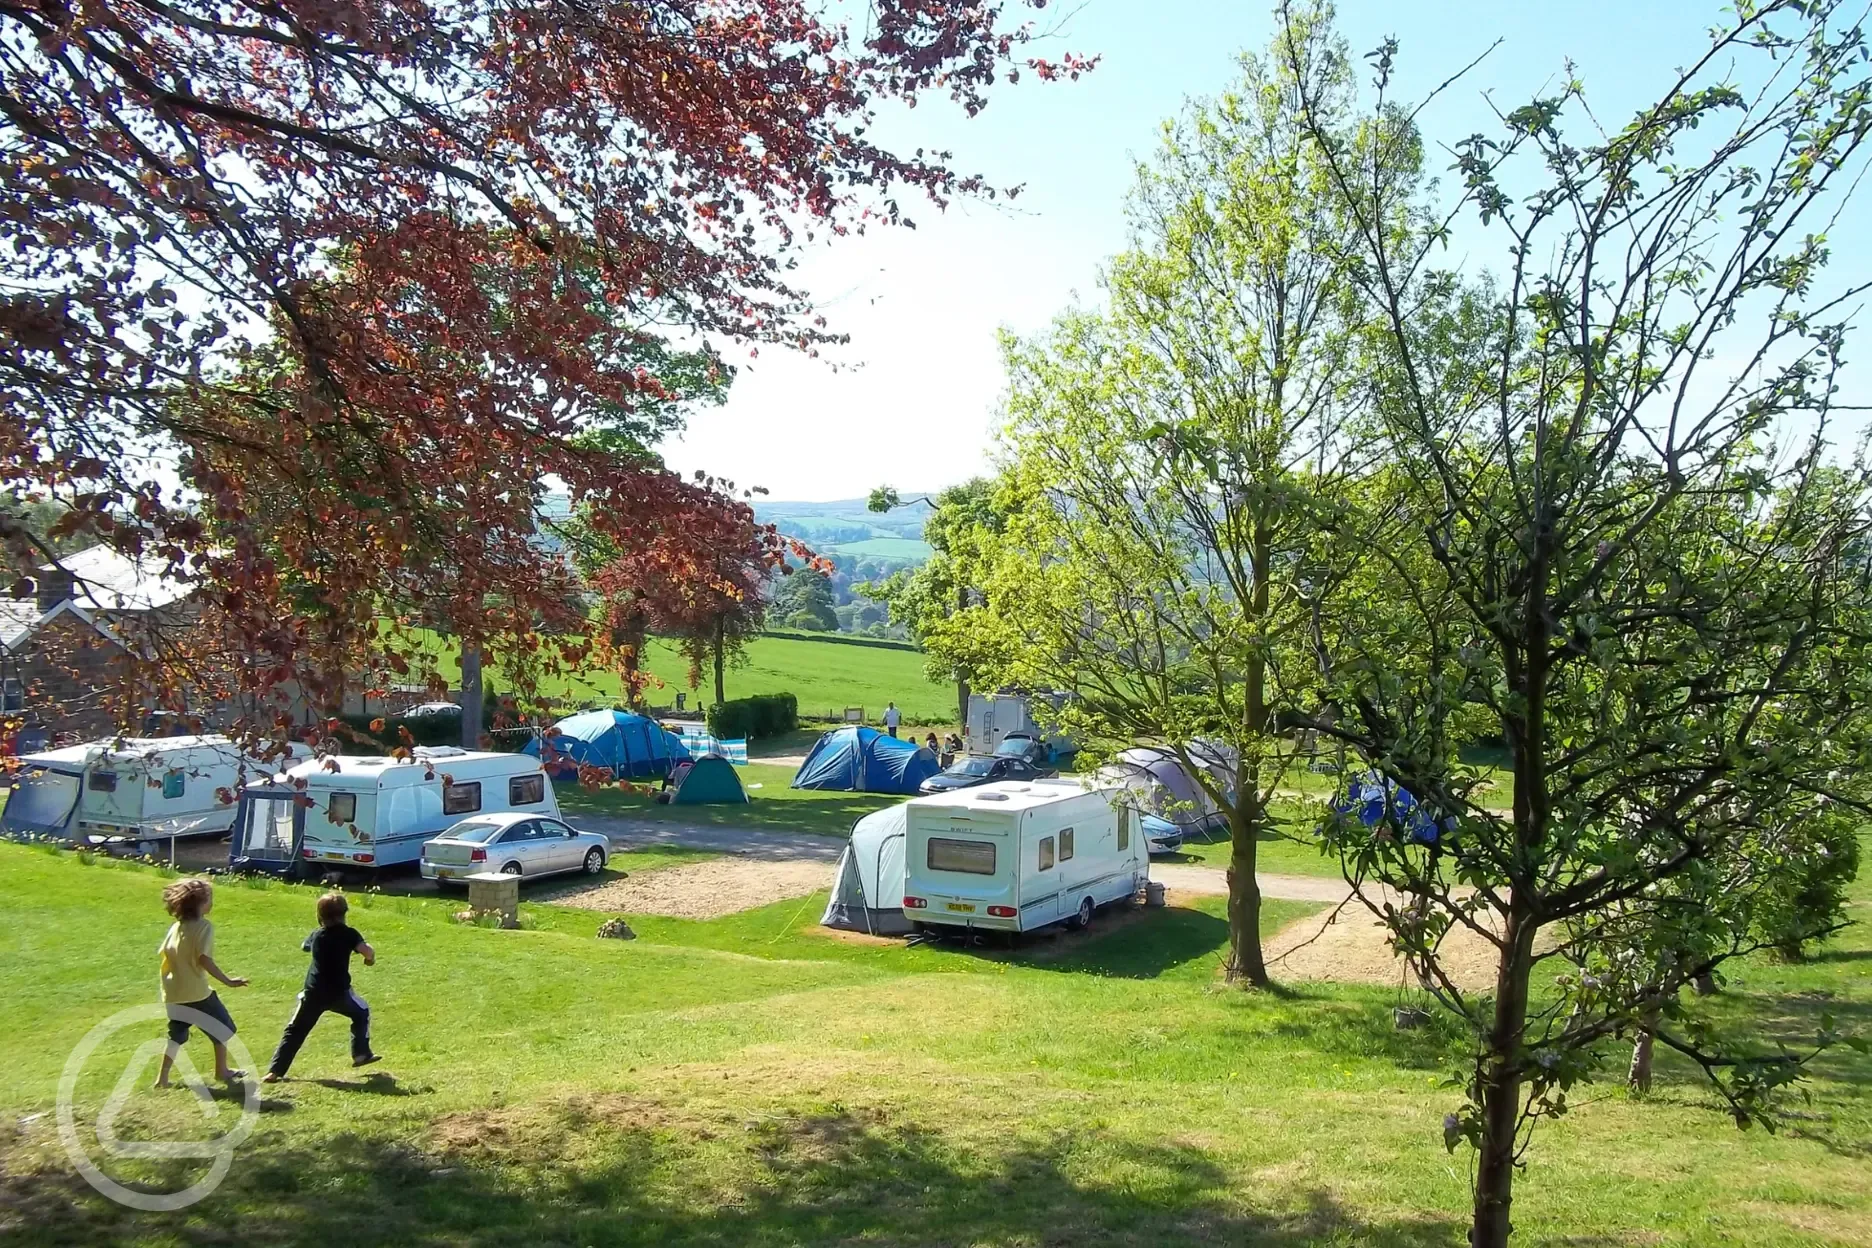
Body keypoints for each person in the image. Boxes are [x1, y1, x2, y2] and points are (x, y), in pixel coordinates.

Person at [261, 892, 379, 1083]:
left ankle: (275, 1071)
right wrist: (370, 958)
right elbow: (367, 951)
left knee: (295, 1030)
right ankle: (361, 1054)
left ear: (320, 915)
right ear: (344, 913)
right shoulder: (349, 933)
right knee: (361, 1012)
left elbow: (304, 946)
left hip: (313, 992)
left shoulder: (317, 935)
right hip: (338, 993)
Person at [154, 878, 249, 1089]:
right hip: (197, 993)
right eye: (210, 899)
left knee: (176, 1035)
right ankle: (222, 1071)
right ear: (199, 903)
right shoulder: (204, 927)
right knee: (223, 1028)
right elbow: (204, 959)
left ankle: (162, 1079)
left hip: (173, 993)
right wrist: (228, 981)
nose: (212, 903)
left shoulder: (176, 927)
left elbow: (166, 953)